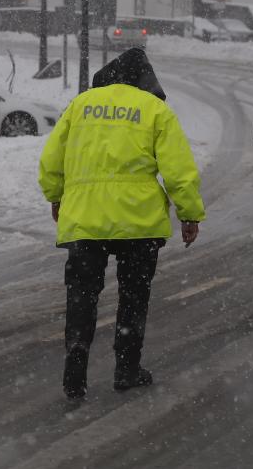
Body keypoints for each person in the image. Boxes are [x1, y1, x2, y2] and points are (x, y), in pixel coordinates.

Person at [38, 48, 206, 401]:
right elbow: (178, 170)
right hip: (139, 223)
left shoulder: (81, 105)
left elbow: (52, 159)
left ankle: (77, 357)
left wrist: (56, 196)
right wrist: (188, 214)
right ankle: (127, 368)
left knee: (82, 294)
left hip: (85, 220)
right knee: (133, 296)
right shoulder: (155, 109)